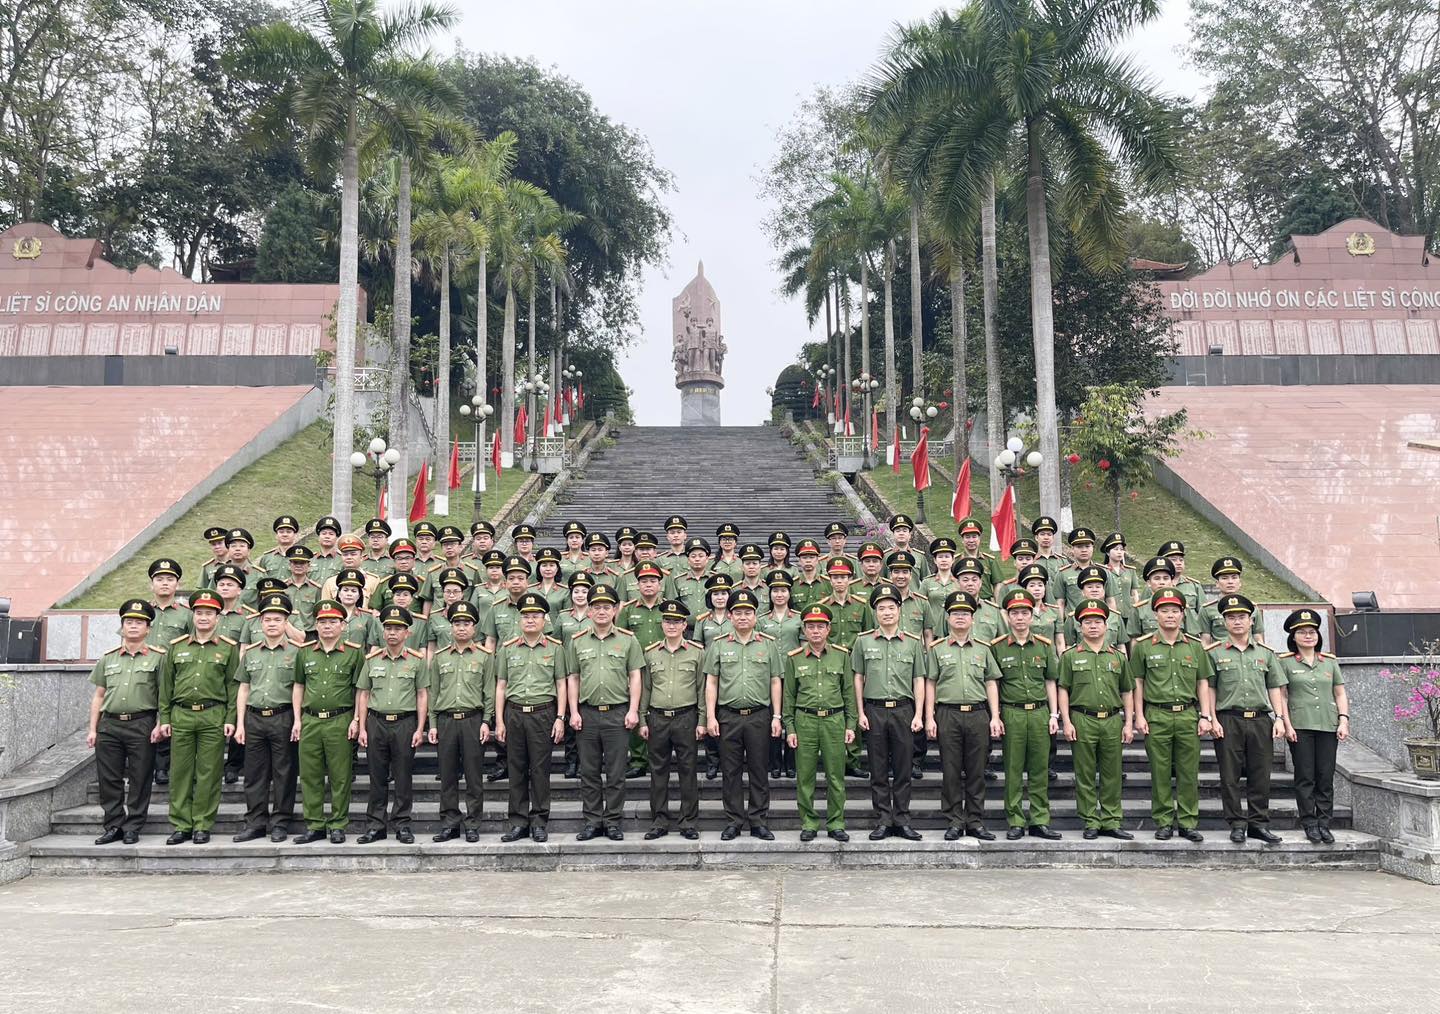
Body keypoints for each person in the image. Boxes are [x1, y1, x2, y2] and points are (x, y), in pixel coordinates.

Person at [158, 589, 240, 845]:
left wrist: (230, 718)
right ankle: (181, 825)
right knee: (180, 772)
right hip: (181, 715)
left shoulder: (227, 649)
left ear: (217, 618)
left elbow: (233, 686)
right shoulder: (177, 647)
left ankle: (203, 824)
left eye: (209, 614)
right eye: (199, 613)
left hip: (212, 715)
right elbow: (166, 686)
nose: (204, 618)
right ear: (193, 616)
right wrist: (165, 718)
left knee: (209, 772)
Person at [1128, 589, 1211, 843]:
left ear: (1183, 614)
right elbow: (1138, 683)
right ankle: (1163, 821)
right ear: (1155, 614)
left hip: (1187, 715)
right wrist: (1138, 716)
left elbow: (1203, 683)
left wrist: (1205, 715)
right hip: (1157, 715)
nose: (1170, 615)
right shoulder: (1143, 647)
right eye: (1164, 610)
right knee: (1160, 771)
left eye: (1175, 611)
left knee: (1188, 772)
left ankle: (1187, 822)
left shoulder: (1195, 647)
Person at [1207, 593, 1288, 845]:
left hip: (1260, 719)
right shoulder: (1214, 652)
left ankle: (1258, 823)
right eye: (1231, 617)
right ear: (1224, 622)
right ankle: (1237, 823)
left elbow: (1275, 687)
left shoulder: (1265, 653)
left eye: (1242, 617)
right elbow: (1209, 687)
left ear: (1251, 620)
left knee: (1260, 773)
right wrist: (1211, 718)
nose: (1237, 622)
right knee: (1229, 775)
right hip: (1228, 719)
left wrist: (1280, 718)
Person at [704, 588, 784, 840]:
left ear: (755, 616)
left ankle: (758, 821)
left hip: (759, 716)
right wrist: (710, 716)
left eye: (747, 612)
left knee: (760, 769)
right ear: (729, 615)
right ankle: (734, 821)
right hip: (728, 716)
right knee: (731, 771)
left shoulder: (768, 645)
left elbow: (775, 681)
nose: (742, 617)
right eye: (737, 612)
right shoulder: (718, 645)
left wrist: (777, 716)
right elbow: (711, 683)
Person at [566, 584, 644, 840]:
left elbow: (635, 676)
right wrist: (573, 711)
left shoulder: (628, 639)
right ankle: (592, 821)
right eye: (596, 607)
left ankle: (612, 821)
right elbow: (573, 678)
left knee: (615, 772)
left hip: (617, 713)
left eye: (606, 607)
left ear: (615, 610)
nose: (601, 611)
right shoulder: (577, 641)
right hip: (587, 714)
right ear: (588, 611)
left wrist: (633, 710)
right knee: (588, 772)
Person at [852, 582, 926, 841]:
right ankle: (883, 819)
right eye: (881, 608)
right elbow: (858, 678)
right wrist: (860, 712)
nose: (886, 612)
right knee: (878, 769)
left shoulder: (913, 643)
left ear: (899, 610)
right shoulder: (862, 642)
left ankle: (902, 820)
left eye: (891, 607)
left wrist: (919, 714)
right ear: (875, 612)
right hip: (874, 710)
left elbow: (919, 679)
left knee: (904, 769)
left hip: (904, 711)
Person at [925, 591, 1001, 841]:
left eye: (965, 614)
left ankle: (975, 820)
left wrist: (995, 716)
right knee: (951, 770)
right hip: (948, 714)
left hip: (978, 714)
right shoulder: (937, 649)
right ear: (947, 618)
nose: (960, 618)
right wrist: (929, 717)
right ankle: (955, 820)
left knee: (977, 770)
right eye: (956, 614)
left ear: (973, 618)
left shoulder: (983, 649)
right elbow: (931, 683)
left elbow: (991, 682)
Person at [1058, 600, 1135, 840]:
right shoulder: (1070, 656)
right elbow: (1063, 689)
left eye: (1097, 622)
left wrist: (1129, 723)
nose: (1093, 626)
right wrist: (1067, 722)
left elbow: (1127, 691)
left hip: (1112, 719)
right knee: (1085, 773)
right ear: (1080, 627)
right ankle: (1090, 820)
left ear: (1106, 626)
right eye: (1087, 622)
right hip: (1083, 719)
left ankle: (1111, 820)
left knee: (1112, 773)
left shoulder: (1118, 657)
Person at [88, 600, 164, 845]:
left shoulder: (158, 658)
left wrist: (159, 723)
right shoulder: (108, 659)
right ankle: (113, 825)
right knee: (108, 778)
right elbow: (99, 695)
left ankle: (133, 825)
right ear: (121, 627)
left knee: (140, 777)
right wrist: (92, 729)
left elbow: (164, 695)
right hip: (109, 725)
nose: (133, 627)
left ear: (148, 629)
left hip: (142, 723)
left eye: (139, 623)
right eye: (129, 622)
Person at [989, 588, 1062, 840]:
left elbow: (1051, 681)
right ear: (1008, 617)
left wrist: (1054, 715)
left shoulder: (1044, 646)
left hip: (1040, 713)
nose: (1020, 618)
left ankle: (1040, 820)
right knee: (1013, 768)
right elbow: (995, 684)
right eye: (1015, 613)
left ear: (1032, 616)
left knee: (1040, 769)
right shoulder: (997, 647)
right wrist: (995, 715)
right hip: (1012, 713)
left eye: (1024, 613)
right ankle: (1016, 820)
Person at [292, 599, 366, 844]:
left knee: (340, 776)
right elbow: (299, 686)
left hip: (340, 720)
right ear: (316, 624)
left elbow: (360, 690)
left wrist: (356, 719)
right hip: (311, 720)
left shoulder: (354, 654)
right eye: (322, 622)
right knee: (310, 775)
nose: (327, 626)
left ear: (343, 625)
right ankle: (314, 825)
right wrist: (297, 720)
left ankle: (337, 824)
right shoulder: (304, 652)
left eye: (333, 621)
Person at [495, 592, 567, 843]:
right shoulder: (507, 649)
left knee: (539, 771)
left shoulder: (556, 649)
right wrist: (499, 721)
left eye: (535, 616)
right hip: (514, 713)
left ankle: (539, 821)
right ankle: (518, 823)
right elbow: (501, 685)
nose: (530, 620)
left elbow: (561, 684)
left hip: (543, 713)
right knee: (516, 770)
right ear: (519, 619)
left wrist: (560, 717)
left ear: (544, 620)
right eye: (526, 615)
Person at [355, 605, 429, 845]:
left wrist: (420, 728)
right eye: (388, 628)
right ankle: (375, 825)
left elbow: (421, 695)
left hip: (404, 724)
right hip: (376, 722)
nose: (392, 633)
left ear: (407, 633)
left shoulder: (417, 661)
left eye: (398, 628)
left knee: (403, 776)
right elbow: (363, 693)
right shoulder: (372, 660)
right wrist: (362, 726)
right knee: (376, 777)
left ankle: (402, 824)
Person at [233, 592, 303, 843]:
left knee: (284, 772)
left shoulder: (296, 653)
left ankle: (280, 822)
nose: (272, 623)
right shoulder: (251, 653)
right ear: (260, 623)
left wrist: (297, 720)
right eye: (267, 619)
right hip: (254, 718)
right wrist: (240, 723)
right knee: (254, 773)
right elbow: (243, 688)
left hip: (282, 717)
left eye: (277, 619)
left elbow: (298, 688)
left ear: (286, 623)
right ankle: (255, 822)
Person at [783, 603, 856, 842]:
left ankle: (836, 823)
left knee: (836, 776)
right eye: (811, 627)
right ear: (804, 629)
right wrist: (790, 728)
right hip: (805, 721)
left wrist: (850, 724)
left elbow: (848, 693)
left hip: (834, 720)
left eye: (820, 626)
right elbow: (789, 696)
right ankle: (809, 822)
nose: (816, 631)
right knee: (805, 776)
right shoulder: (793, 658)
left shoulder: (841, 655)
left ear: (828, 629)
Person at [1279, 608, 1349, 844]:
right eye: (1302, 632)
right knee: (1305, 776)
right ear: (1293, 636)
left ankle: (1324, 822)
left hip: (1328, 724)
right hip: (1300, 726)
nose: (1308, 636)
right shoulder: (1286, 663)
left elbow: (1339, 693)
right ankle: (1309, 822)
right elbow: (1283, 696)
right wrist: (1286, 724)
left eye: (1312, 632)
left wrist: (1343, 719)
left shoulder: (1329, 662)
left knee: (1325, 776)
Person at [639, 599, 706, 840]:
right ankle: (659, 821)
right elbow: (646, 688)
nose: (671, 626)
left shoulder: (697, 653)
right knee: (658, 772)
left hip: (686, 717)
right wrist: (642, 720)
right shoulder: (650, 653)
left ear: (684, 625)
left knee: (688, 771)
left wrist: (702, 720)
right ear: (662, 624)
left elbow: (701, 689)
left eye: (677, 622)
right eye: (668, 621)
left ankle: (688, 821)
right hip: (657, 718)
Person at [428, 601, 493, 844]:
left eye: (466, 623)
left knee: (474, 777)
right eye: (457, 623)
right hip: (446, 720)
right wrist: (432, 724)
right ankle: (450, 823)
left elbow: (488, 692)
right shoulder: (440, 657)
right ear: (451, 627)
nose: (461, 628)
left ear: (474, 628)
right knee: (447, 776)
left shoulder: (485, 657)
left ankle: (473, 823)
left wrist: (487, 721)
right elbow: (433, 693)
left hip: (472, 720)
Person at [759, 569, 801, 779]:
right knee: (771, 719)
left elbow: (804, 647)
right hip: (768, 675)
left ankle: (791, 762)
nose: (779, 594)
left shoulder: (799, 619)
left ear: (789, 593)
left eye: (783, 590)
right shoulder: (761, 620)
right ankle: (774, 763)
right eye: (775, 590)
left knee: (791, 717)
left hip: (793, 675)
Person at [1199, 557, 1245, 647]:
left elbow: (1258, 639)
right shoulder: (1207, 609)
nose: (1230, 582)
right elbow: (1205, 641)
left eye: (1234, 578)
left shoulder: (1252, 608)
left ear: (1240, 582)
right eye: (1225, 578)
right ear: (1217, 583)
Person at [789, 538, 832, 616]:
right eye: (804, 558)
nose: (808, 561)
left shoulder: (829, 583)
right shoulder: (792, 585)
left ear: (817, 560)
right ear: (799, 561)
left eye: (811, 557)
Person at [309, 516, 344, 589]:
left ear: (336, 537)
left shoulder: (343, 560)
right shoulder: (309, 559)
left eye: (331, 534)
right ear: (319, 536)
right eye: (324, 533)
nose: (327, 536)